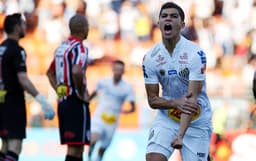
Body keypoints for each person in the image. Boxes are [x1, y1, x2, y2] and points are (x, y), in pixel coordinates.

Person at [142, 2, 213, 161]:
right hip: (168, 117)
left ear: (182, 25)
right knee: (153, 159)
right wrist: (175, 103)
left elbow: (191, 100)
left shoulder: (195, 53)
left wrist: (180, 136)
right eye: (164, 16)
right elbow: (152, 100)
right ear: (159, 23)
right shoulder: (150, 58)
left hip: (196, 118)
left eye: (174, 16)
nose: (168, 19)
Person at [0, 13, 55, 161]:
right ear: (17, 27)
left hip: (1, 100)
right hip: (13, 102)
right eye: (23, 25)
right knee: (15, 146)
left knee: (5, 146)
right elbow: (23, 79)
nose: (25, 27)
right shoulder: (17, 50)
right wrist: (42, 100)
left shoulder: (1, 48)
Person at [46, 14, 90, 161]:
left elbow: (50, 73)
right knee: (76, 148)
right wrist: (81, 92)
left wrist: (61, 92)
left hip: (64, 101)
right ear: (84, 29)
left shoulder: (61, 48)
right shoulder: (80, 48)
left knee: (76, 147)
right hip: (75, 102)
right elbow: (76, 71)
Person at [88, 60, 136, 161]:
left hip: (112, 121)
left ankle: (97, 159)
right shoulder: (103, 82)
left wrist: (125, 111)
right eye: (116, 69)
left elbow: (133, 107)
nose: (118, 72)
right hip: (99, 117)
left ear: (123, 72)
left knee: (103, 149)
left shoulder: (127, 88)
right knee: (93, 139)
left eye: (120, 70)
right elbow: (93, 94)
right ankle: (89, 157)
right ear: (113, 69)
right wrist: (86, 101)